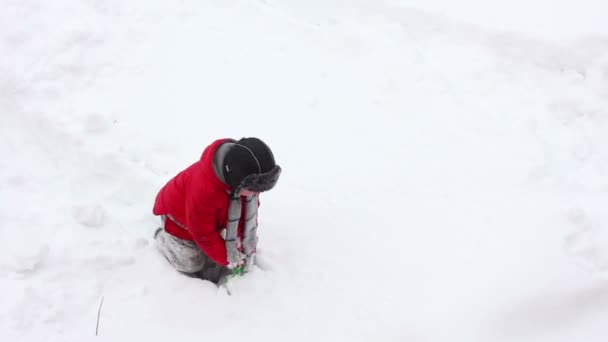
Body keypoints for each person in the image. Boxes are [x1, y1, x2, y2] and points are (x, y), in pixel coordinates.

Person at [152, 137, 281, 283]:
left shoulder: (244, 187)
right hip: (180, 220)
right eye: (252, 190)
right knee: (191, 263)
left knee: (217, 249)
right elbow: (203, 234)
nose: (255, 194)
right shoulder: (204, 190)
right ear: (236, 179)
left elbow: (246, 219)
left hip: (210, 218)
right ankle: (163, 239)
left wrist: (242, 245)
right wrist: (228, 259)